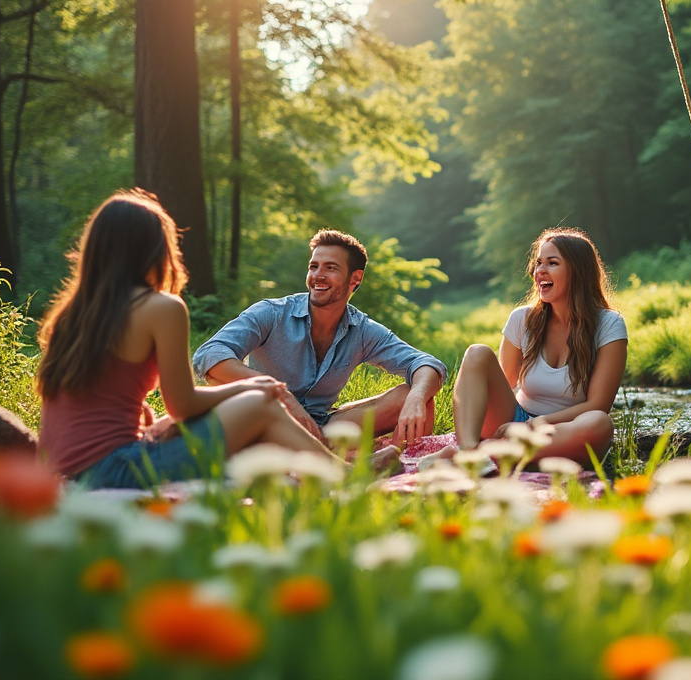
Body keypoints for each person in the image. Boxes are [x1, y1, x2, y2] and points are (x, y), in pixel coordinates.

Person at [37, 190, 337, 489]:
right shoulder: (159, 307)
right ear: (155, 249)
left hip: (60, 473)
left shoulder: (71, 314)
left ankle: (328, 472)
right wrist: (248, 384)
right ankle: (343, 476)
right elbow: (182, 404)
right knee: (259, 403)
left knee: (238, 419)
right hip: (115, 471)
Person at [193, 229, 446, 451]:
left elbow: (426, 363)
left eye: (331, 268)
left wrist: (415, 397)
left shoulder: (363, 330)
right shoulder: (271, 313)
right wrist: (278, 393)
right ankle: (321, 457)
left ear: (355, 279)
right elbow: (209, 354)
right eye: (314, 267)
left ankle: (400, 462)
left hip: (320, 427)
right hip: (263, 419)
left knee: (419, 395)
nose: (318, 275)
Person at [431, 228, 627, 468]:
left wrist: (537, 424)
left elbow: (598, 405)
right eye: (538, 263)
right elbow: (503, 383)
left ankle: (491, 455)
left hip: (564, 429)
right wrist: (520, 424)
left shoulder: (609, 324)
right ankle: (470, 452)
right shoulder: (521, 319)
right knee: (477, 352)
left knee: (599, 422)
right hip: (516, 420)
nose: (540, 271)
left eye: (552, 263)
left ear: (578, 272)